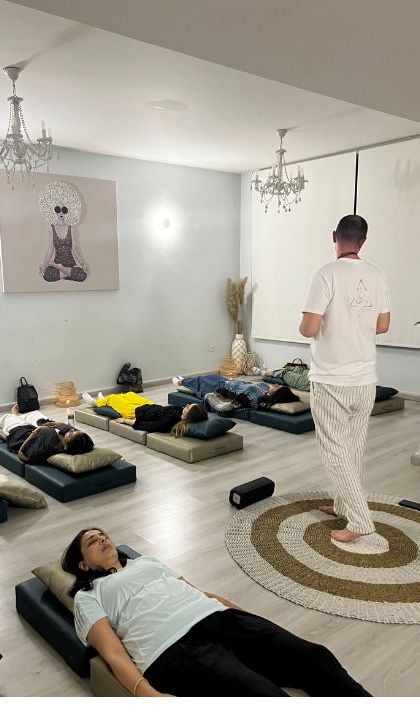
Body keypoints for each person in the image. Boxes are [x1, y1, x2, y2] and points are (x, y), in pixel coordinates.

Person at [62, 528, 371, 697]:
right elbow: (112, 652)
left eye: (103, 535)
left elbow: (200, 592)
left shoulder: (147, 562)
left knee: (314, 657)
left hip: (218, 617)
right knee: (262, 693)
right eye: (92, 541)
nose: (103, 539)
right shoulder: (89, 595)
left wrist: (250, 620)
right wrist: (148, 694)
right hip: (173, 648)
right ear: (83, 565)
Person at [299, 214, 390, 543]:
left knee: (335, 452)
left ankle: (361, 520)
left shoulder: (326, 274)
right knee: (353, 448)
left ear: (334, 236)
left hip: (331, 379)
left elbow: (308, 328)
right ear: (363, 241)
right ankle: (343, 506)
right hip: (365, 379)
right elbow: (382, 326)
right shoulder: (376, 275)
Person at [0, 405, 94, 464]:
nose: (71, 431)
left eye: (71, 434)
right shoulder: (80, 439)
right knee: (35, 413)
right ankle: (17, 416)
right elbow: (70, 429)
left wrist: (37, 431)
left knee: (9, 419)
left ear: (66, 446)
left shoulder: (50, 446)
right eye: (73, 431)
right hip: (43, 425)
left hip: (24, 434)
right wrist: (60, 424)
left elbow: (22, 454)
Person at [82, 392, 208, 437]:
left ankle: (95, 403)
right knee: (129, 394)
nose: (186, 405)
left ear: (188, 416)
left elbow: (148, 425)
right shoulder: (179, 411)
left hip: (136, 413)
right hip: (149, 406)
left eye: (188, 408)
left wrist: (125, 420)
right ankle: (105, 401)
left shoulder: (169, 423)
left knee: (113, 398)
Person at [38, 182, 90, 283]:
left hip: (70, 264)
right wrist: (44, 265)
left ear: (67, 211)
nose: (61, 212)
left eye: (64, 210)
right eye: (58, 209)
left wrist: (83, 264)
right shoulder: (52, 228)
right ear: (54, 211)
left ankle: (61, 268)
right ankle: (66, 272)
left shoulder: (71, 229)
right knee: (47, 275)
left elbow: (74, 249)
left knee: (82, 275)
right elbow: (51, 248)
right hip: (58, 262)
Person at [173, 374, 300, 412]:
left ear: (277, 395)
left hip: (223, 390)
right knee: (214, 376)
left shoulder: (257, 399)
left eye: (277, 388)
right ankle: (187, 381)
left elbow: (237, 401)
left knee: (201, 381)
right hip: (228, 382)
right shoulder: (264, 386)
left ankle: (181, 382)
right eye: (278, 385)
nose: (276, 385)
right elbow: (246, 384)